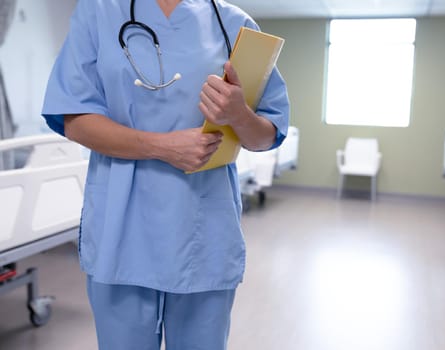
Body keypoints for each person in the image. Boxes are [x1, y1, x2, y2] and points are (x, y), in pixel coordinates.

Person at [41, 0, 289, 349]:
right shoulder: (98, 11)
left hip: (204, 231)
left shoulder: (234, 24)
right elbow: (73, 117)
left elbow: (267, 135)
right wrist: (162, 146)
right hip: (122, 230)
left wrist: (239, 114)